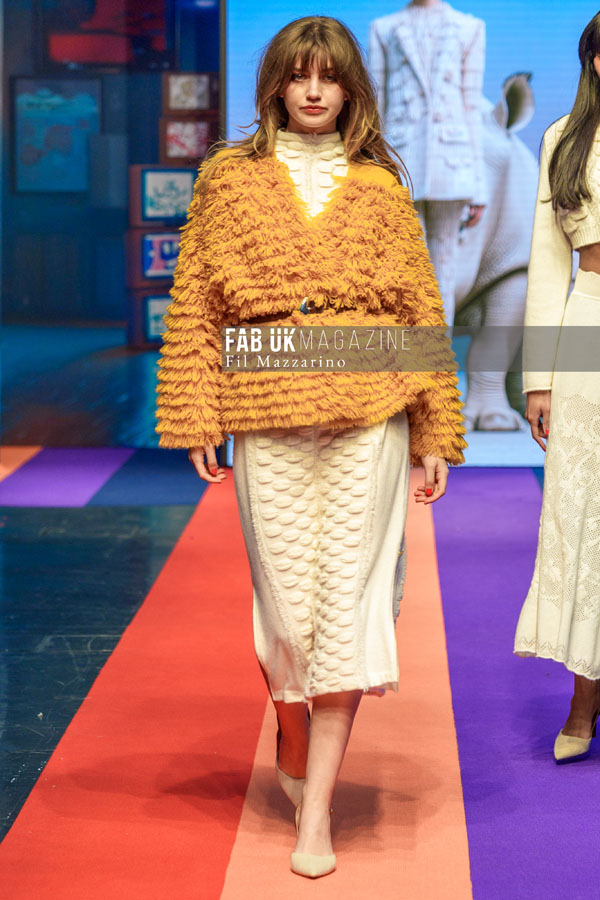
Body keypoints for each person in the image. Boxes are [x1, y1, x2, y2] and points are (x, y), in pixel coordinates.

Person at [156, 15, 466, 878]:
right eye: (300, 75)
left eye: (329, 76)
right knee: (287, 616)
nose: (315, 90)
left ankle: (317, 808)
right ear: (278, 85)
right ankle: (293, 742)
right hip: (267, 406)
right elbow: (196, 303)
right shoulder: (230, 179)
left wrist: (435, 428)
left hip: (371, 408)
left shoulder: (379, 187)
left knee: (348, 608)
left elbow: (419, 308)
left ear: (350, 87)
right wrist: (195, 412)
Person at [514, 12, 600, 764]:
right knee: (582, 514)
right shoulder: (563, 139)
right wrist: (538, 379)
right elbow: (547, 266)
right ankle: (583, 698)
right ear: (596, 61)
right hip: (589, 322)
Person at [368, 0, 488, 327]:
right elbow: (376, 109)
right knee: (406, 263)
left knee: (444, 265)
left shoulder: (470, 27)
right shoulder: (384, 28)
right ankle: (412, 349)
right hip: (401, 160)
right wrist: (375, 169)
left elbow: (471, 108)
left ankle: (438, 351)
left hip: (452, 163)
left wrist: (479, 187)